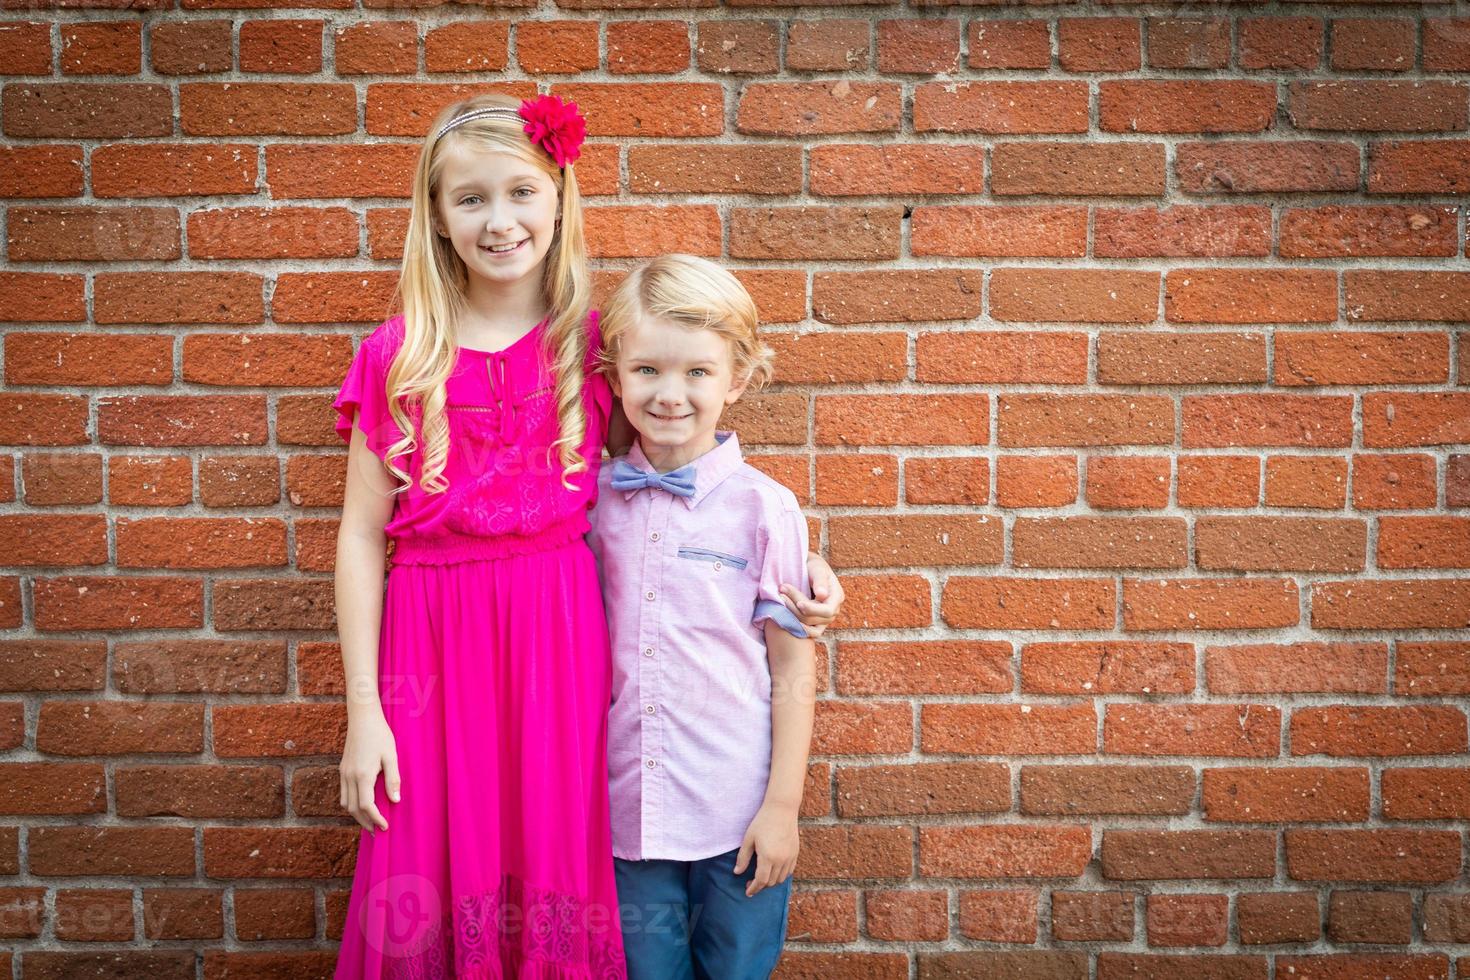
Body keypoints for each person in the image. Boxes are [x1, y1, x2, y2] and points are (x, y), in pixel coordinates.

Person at [330, 94, 844, 978]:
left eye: (522, 192)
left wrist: (802, 563)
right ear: (438, 217)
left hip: (559, 648)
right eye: (472, 199)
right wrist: (366, 713)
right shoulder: (399, 355)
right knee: (422, 857)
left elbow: (669, 484)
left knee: (553, 863)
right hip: (429, 645)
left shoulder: (593, 349)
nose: (500, 221)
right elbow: (358, 537)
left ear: (559, 197)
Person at [586, 255, 818, 980]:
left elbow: (791, 666)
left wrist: (783, 807)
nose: (670, 394)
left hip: (737, 815)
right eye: (647, 370)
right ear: (616, 375)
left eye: (697, 373)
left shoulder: (764, 508)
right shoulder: (590, 503)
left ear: (738, 379)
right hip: (629, 814)